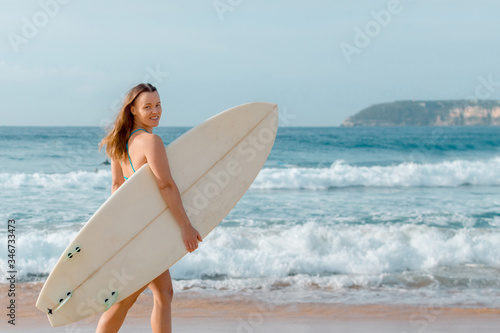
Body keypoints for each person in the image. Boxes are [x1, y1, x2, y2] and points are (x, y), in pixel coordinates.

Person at [97, 83, 202, 333]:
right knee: (126, 298)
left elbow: (116, 188)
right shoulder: (151, 142)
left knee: (164, 293)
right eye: (147, 107)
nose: (155, 111)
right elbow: (166, 186)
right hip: (144, 232)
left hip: (135, 229)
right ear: (132, 109)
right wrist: (186, 227)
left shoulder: (119, 143)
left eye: (158, 105)